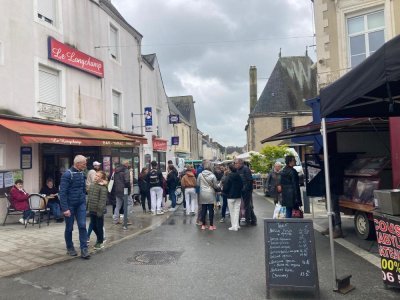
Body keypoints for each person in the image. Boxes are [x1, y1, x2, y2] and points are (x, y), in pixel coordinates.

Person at [59, 155, 90, 259]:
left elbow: (82, 189)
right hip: (70, 205)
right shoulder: (67, 175)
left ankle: (84, 249)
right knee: (69, 227)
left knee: (82, 225)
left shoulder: (81, 173)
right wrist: (65, 209)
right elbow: (62, 193)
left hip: (80, 204)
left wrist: (84, 202)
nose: (85, 165)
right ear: (77, 163)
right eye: (84, 163)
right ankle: (70, 247)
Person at [318, 148, 344, 238]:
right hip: (328, 189)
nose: (319, 157)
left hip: (333, 189)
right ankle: (332, 226)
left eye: (321, 155)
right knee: (329, 209)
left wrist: (328, 184)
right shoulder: (327, 163)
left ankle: (337, 229)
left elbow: (337, 177)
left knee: (334, 209)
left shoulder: (334, 163)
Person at [87, 171, 108, 250]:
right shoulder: (92, 185)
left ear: (102, 178)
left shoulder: (103, 187)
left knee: (99, 226)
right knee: (93, 226)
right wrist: (88, 206)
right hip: (92, 209)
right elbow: (90, 197)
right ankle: (100, 239)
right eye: (96, 175)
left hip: (98, 210)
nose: (96, 177)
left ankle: (100, 242)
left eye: (98, 176)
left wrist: (100, 211)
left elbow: (102, 200)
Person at [197, 161, 219, 230]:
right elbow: (215, 186)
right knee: (211, 209)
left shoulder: (200, 175)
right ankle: (211, 226)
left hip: (202, 193)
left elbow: (197, 184)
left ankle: (203, 225)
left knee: (203, 209)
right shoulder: (213, 175)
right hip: (210, 194)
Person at [235, 158, 257, 226]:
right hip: (242, 190)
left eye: (236, 163)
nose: (235, 165)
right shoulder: (238, 170)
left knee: (247, 206)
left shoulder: (246, 169)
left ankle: (248, 220)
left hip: (246, 191)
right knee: (248, 206)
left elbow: (250, 180)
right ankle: (253, 220)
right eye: (235, 163)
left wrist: (245, 189)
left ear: (240, 163)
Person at [223, 163, 243, 231]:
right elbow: (241, 185)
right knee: (237, 211)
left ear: (229, 169)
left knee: (232, 212)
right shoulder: (238, 175)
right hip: (238, 195)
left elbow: (225, 186)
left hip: (230, 196)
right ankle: (236, 225)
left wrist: (224, 192)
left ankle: (234, 226)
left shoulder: (228, 176)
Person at [112, 160, 132, 224]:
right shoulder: (126, 170)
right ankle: (126, 219)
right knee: (129, 204)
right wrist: (128, 190)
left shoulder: (116, 170)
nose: (129, 164)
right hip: (124, 190)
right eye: (128, 163)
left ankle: (115, 219)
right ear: (126, 164)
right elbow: (127, 181)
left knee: (118, 205)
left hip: (117, 190)